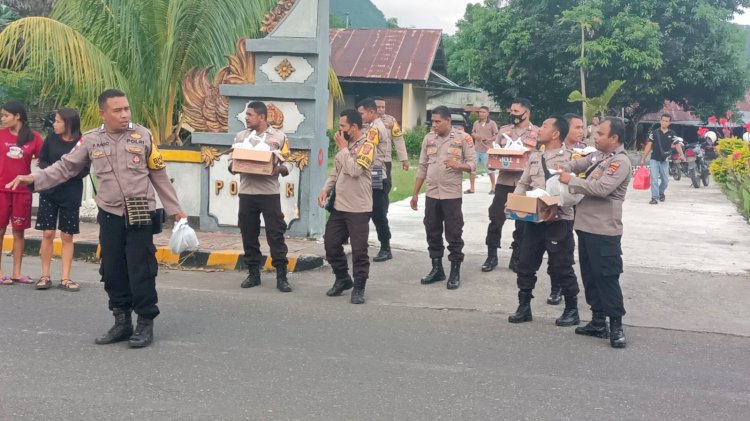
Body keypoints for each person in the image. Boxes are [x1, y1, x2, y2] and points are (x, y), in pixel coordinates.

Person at [7, 89, 187, 348]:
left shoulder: (143, 135)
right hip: (110, 214)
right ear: (103, 113)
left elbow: (158, 173)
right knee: (112, 269)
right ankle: (122, 321)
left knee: (141, 268)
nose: (124, 114)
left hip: (139, 213)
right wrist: (34, 178)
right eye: (117, 110)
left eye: (126, 109)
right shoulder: (91, 140)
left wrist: (176, 210)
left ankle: (145, 322)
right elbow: (66, 167)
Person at [558, 117, 631, 348]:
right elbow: (580, 164)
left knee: (607, 278)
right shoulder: (599, 156)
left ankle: (616, 326)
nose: (595, 137)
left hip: (604, 231)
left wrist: (571, 181)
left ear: (614, 138)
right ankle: (598, 321)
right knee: (590, 276)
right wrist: (565, 166)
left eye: (600, 134)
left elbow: (601, 189)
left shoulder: (620, 162)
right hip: (585, 227)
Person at [506, 116, 580, 326]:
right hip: (533, 220)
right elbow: (523, 183)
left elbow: (573, 192)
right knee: (526, 262)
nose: (540, 129)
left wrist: (555, 204)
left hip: (559, 221)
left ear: (556, 133)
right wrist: (513, 201)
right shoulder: (535, 157)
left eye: (545, 126)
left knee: (562, 266)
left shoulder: (570, 158)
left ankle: (571, 309)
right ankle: (524, 306)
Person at [230, 101, 293, 293]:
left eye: (250, 115)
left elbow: (289, 162)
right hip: (247, 193)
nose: (246, 118)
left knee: (275, 234)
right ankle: (253, 273)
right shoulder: (241, 136)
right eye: (246, 115)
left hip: (269, 194)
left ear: (262, 117)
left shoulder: (279, 137)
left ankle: (281, 276)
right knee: (248, 233)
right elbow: (231, 163)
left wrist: (279, 169)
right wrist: (233, 166)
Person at [411, 105, 476, 290]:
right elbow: (422, 166)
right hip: (432, 193)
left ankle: (455, 271)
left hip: (451, 194)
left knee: (454, 233)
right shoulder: (428, 138)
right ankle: (437, 268)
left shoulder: (464, 138)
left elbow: (472, 164)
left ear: (448, 121)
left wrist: (458, 166)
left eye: (438, 122)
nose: (435, 125)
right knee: (432, 230)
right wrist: (415, 193)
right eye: (433, 122)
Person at [318, 109, 375, 304]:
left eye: (342, 126)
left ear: (354, 126)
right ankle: (342, 278)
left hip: (359, 207)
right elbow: (337, 171)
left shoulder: (367, 146)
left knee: (359, 250)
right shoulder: (345, 145)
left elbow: (355, 170)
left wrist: (343, 148)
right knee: (331, 244)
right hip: (340, 206)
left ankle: (359, 286)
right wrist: (326, 189)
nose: (339, 129)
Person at [35, 108, 89, 291]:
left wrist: (66, 174)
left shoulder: (82, 142)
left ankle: (66, 278)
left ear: (68, 123)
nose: (54, 125)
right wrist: (53, 173)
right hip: (49, 192)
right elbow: (41, 161)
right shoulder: (50, 139)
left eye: (58, 121)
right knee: (48, 233)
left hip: (71, 193)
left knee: (67, 235)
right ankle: (45, 275)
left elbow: (85, 169)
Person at [482, 98, 539, 273]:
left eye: (516, 112)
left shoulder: (537, 133)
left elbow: (539, 159)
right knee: (496, 218)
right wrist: (492, 162)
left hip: (525, 183)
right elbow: (493, 156)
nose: (512, 115)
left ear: (526, 113)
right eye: (511, 111)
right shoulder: (504, 131)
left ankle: (517, 256)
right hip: (504, 182)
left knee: (522, 221)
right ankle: (491, 255)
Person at [0, 101, 44, 285]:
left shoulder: (33, 137)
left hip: (22, 192)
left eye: (5, 115)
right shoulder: (0, 135)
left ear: (17, 116)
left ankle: (17, 272)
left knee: (19, 232)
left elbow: (43, 163)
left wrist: (35, 177)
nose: (3, 119)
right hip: (1, 190)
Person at [371, 96, 409, 262]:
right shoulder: (366, 123)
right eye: (378, 107)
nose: (381, 110)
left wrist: (404, 159)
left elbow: (398, 139)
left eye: (383, 107)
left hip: (381, 166)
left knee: (379, 200)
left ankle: (385, 245)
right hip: (364, 166)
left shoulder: (390, 121)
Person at [357, 98, 392, 262]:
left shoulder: (375, 129)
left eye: (362, 113)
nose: (361, 116)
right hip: (373, 171)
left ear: (371, 112)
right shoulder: (372, 127)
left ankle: (386, 247)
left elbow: (366, 149)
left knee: (378, 212)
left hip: (376, 172)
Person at [639, 113, 684, 204]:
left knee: (665, 181)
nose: (664, 122)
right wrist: (643, 158)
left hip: (665, 160)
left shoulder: (672, 133)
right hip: (654, 159)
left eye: (666, 121)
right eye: (663, 120)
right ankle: (654, 198)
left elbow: (677, 144)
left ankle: (661, 193)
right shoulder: (654, 133)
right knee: (654, 180)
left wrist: (682, 154)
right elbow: (649, 146)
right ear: (660, 121)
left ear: (669, 123)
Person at [469, 106, 499, 194]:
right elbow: (472, 132)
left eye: (483, 112)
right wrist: (476, 136)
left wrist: (489, 139)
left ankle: (493, 188)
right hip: (476, 149)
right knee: (472, 169)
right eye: (480, 112)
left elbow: (497, 135)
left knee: (490, 170)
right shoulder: (476, 123)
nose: (481, 114)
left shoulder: (492, 123)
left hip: (487, 150)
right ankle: (472, 188)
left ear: (487, 113)